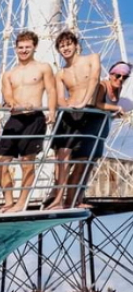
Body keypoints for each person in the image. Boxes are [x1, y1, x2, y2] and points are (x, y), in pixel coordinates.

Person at [0, 30, 58, 212]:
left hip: (34, 118)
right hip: (15, 118)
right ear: (15, 48)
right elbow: (7, 95)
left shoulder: (43, 67)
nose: (24, 50)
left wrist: (52, 111)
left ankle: (21, 203)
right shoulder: (9, 73)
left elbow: (52, 90)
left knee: (26, 162)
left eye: (27, 47)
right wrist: (16, 104)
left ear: (34, 47)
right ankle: (9, 201)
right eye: (21, 47)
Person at [48, 30, 105, 209]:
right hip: (69, 114)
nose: (65, 48)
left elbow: (94, 79)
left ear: (76, 45)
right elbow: (60, 98)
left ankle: (74, 199)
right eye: (62, 46)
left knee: (83, 159)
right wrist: (67, 106)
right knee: (62, 157)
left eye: (68, 44)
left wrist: (84, 101)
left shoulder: (92, 58)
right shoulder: (61, 73)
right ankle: (58, 199)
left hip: (88, 112)